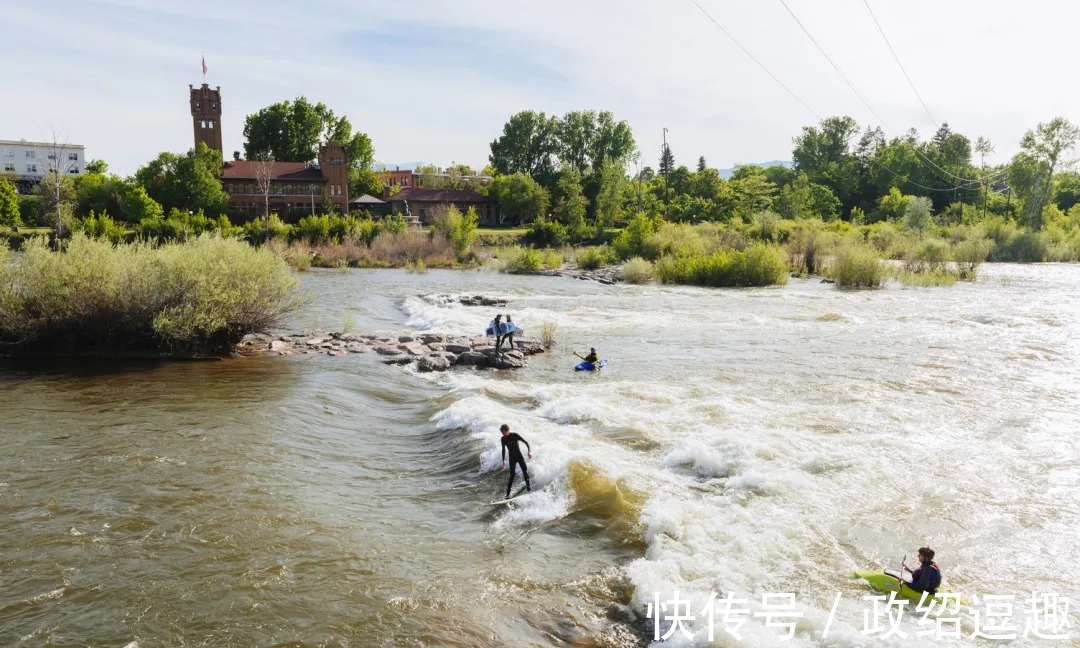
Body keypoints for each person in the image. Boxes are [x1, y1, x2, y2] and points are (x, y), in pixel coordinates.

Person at [500, 424, 531, 499]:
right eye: (502, 432)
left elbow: (525, 442)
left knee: (525, 471)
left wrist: (529, 451)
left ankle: (528, 488)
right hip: (512, 458)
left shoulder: (515, 435)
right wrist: (503, 461)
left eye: (504, 432)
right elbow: (503, 450)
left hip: (519, 457)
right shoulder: (503, 439)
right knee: (512, 476)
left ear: (508, 430)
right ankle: (507, 494)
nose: (503, 434)